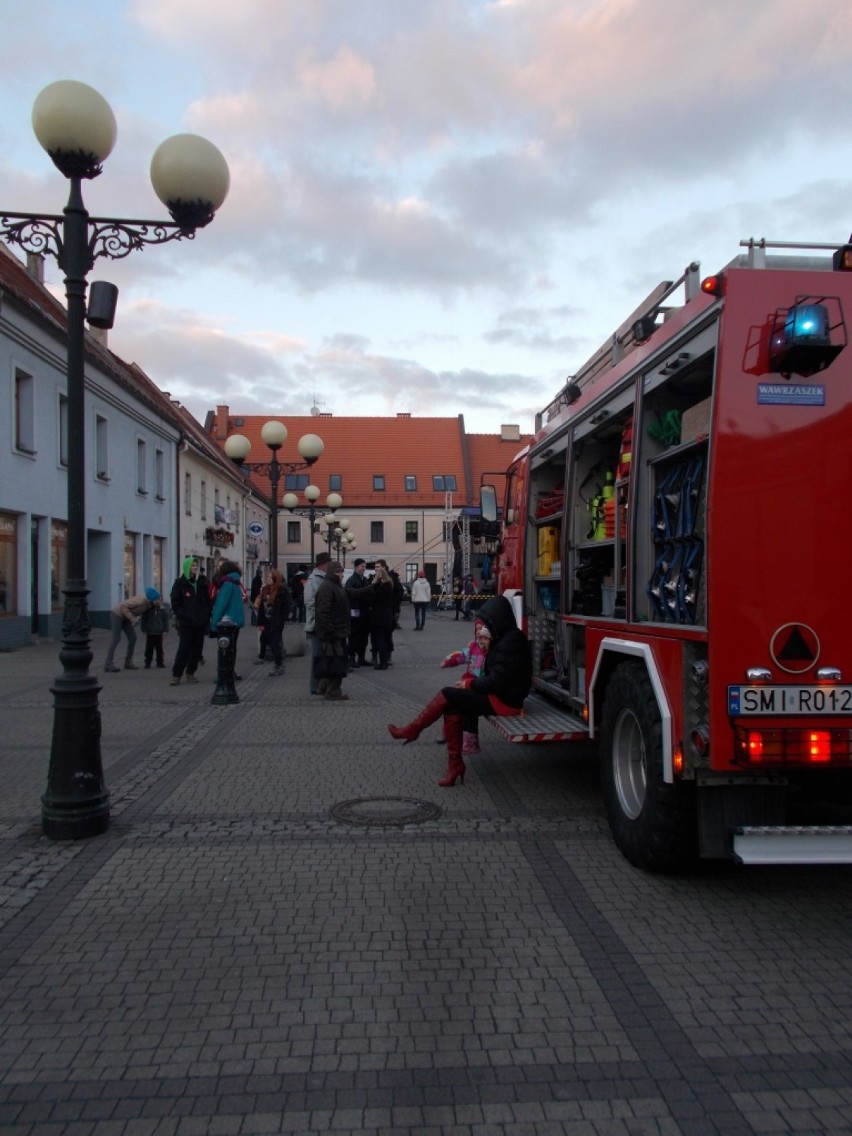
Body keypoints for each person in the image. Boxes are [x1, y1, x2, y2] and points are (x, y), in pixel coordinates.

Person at [388, 594, 532, 787]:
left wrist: (469, 684)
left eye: (487, 623)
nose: (484, 628)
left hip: (506, 701)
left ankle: (414, 730)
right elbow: (490, 674)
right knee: (452, 707)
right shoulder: (503, 638)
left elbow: (497, 681)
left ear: (498, 620)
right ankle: (454, 765)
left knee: (448, 693)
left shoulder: (512, 641)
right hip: (498, 695)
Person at [440, 619, 492, 755]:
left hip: (479, 684)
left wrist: (487, 648)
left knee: (466, 704)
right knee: (450, 700)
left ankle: (469, 739)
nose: (479, 632)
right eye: (476, 630)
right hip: (469, 680)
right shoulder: (473, 646)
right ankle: (449, 730)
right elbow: (462, 656)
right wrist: (448, 661)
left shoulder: (490, 650)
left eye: (482, 629)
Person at [170, 557, 212, 685]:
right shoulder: (180, 584)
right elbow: (175, 603)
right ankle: (176, 675)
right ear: (187, 567)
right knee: (184, 648)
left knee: (197, 650)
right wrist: (183, 614)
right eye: (193, 565)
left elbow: (208, 600)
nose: (195, 568)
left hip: (199, 623)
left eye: (196, 565)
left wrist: (206, 615)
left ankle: (190, 673)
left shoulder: (202, 583)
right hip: (187, 623)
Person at [314, 560, 352, 700]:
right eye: (341, 572)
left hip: (337, 631)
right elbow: (323, 612)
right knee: (336, 663)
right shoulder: (328, 587)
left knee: (332, 661)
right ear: (335, 573)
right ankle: (333, 691)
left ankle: (324, 688)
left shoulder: (335, 586)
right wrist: (330, 631)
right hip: (333, 632)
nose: (343, 575)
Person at [104, 590, 157, 672]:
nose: (159, 601)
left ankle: (128, 662)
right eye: (158, 599)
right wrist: (132, 618)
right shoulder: (140, 600)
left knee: (133, 637)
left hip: (126, 617)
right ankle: (108, 663)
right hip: (117, 614)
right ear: (152, 598)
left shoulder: (148, 605)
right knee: (116, 639)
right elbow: (123, 607)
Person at [304, 552, 332, 693]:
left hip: (323, 623)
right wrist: (320, 616)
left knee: (323, 655)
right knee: (317, 655)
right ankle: (315, 686)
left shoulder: (323, 578)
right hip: (317, 624)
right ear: (323, 564)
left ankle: (322, 684)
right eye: (329, 563)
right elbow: (309, 601)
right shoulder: (314, 579)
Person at [261, 569, 291, 676]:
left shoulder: (282, 592)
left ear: (275, 579)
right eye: (267, 577)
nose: (267, 579)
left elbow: (286, 608)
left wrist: (281, 619)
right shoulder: (265, 590)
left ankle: (279, 665)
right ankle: (265, 657)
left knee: (274, 644)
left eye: (270, 577)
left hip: (276, 622)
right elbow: (261, 606)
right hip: (266, 621)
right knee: (265, 640)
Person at [367, 563, 394, 669]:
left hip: (378, 616)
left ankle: (382, 662)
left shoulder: (380, 587)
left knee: (380, 639)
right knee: (386, 638)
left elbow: (372, 599)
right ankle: (386, 660)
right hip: (387, 615)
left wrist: (374, 583)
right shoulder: (389, 584)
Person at [345, 558, 371, 666]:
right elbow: (351, 595)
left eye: (365, 566)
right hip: (354, 613)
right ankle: (351, 658)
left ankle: (361, 657)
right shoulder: (351, 581)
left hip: (364, 612)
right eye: (361, 566)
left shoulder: (365, 580)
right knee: (354, 636)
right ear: (356, 567)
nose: (363, 568)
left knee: (364, 636)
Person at [140, 588, 169, 668]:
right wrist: (143, 629)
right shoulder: (148, 610)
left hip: (159, 633)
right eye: (156, 600)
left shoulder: (163, 611)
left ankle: (160, 662)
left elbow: (166, 621)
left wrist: (166, 630)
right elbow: (144, 619)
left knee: (159, 648)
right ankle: (147, 662)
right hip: (150, 632)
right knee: (149, 648)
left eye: (159, 600)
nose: (157, 602)